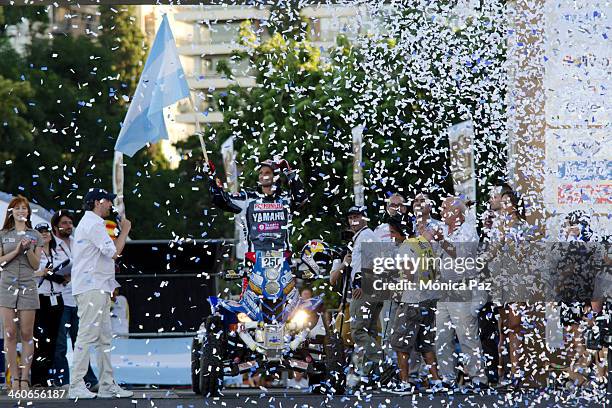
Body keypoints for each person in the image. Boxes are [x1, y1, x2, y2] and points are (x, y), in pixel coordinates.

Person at [68, 188, 133, 399]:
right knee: (86, 335)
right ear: (97, 202)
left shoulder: (92, 223)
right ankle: (76, 384)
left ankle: (106, 384)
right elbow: (114, 253)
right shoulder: (93, 224)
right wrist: (124, 231)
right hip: (91, 287)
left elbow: (103, 257)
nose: (110, 205)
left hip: (99, 286)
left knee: (104, 338)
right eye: (107, 201)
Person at [424, 196, 488, 390]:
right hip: (442, 289)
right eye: (442, 208)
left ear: (457, 212)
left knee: (466, 335)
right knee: (442, 336)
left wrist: (442, 241)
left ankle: (478, 378)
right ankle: (447, 378)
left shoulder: (468, 231)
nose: (442, 212)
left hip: (462, 287)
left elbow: (462, 258)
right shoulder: (441, 229)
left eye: (445, 208)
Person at [384, 216, 442, 394]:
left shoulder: (405, 247)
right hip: (429, 299)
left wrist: (396, 289)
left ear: (401, 232)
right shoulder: (424, 244)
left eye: (393, 232)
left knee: (401, 343)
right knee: (425, 343)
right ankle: (436, 381)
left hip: (412, 301)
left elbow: (408, 274)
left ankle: (404, 382)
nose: (391, 236)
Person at [206, 159, 307, 253]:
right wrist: (211, 177)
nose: (263, 176)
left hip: (283, 260)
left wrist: (289, 173)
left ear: (275, 176)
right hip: (254, 261)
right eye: (261, 173)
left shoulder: (285, 199)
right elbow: (221, 200)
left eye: (267, 173)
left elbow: (301, 199)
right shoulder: (248, 198)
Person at [50, 209, 98, 389]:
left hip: (78, 297)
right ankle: (63, 380)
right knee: (61, 344)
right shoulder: (51, 244)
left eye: (70, 223)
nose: (68, 226)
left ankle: (88, 380)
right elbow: (44, 268)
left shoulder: (78, 241)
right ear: (55, 226)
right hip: (60, 298)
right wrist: (61, 276)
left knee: (81, 342)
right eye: (64, 223)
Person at [0, 195, 43, 391]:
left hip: (27, 285)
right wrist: (17, 250)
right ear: (11, 211)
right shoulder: (3, 234)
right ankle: (13, 379)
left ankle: (25, 378)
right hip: (7, 285)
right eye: (17, 208)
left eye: (24, 208)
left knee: (26, 334)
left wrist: (27, 250)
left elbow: (35, 266)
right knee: (9, 333)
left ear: (28, 212)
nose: (20, 211)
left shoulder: (35, 235)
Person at [344, 206, 382, 385]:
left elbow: (372, 261)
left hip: (366, 287)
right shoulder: (363, 236)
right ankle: (370, 374)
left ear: (365, 218)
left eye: (357, 217)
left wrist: (359, 282)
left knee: (358, 331)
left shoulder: (366, 236)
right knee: (370, 331)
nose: (353, 221)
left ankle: (381, 360)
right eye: (351, 217)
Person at [30, 222, 65, 387]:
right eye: (41, 232)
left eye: (47, 231)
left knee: (54, 339)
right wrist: (42, 273)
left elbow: (67, 268)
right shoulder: (31, 252)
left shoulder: (58, 250)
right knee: (40, 339)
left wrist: (65, 276)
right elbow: (26, 273)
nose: (44, 234)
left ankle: (49, 377)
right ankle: (37, 378)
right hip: (40, 297)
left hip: (57, 296)